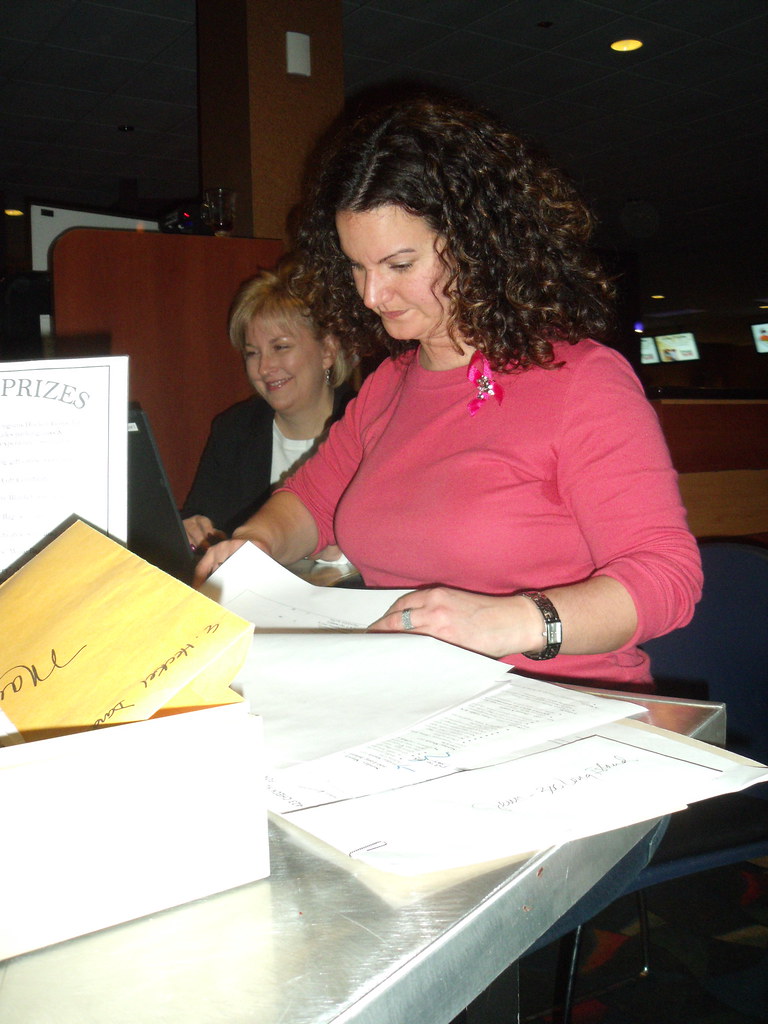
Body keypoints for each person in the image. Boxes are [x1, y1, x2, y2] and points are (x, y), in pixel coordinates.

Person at [196, 96, 702, 691]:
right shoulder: (389, 385)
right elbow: (313, 500)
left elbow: (667, 578)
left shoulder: (582, 382)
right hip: (413, 693)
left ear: (475, 243)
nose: (371, 295)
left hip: (560, 697)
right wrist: (254, 545)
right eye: (356, 267)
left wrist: (507, 622)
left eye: (398, 264)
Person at [181, 264, 354, 556]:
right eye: (252, 353)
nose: (264, 367)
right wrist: (189, 529)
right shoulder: (233, 430)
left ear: (327, 350)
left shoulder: (369, 426)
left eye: (280, 347)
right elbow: (199, 521)